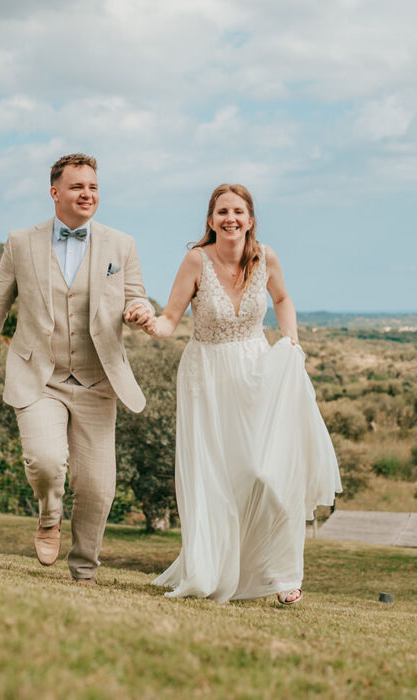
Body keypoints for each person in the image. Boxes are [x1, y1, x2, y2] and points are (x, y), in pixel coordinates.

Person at [146, 184, 342, 605]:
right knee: (216, 479)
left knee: (267, 473)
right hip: (207, 378)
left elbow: (284, 298)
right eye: (221, 212)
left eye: (238, 211)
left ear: (250, 219)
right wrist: (145, 323)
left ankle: (281, 574)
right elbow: (169, 319)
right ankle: (212, 570)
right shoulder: (195, 260)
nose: (230, 218)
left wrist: (290, 341)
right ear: (211, 220)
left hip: (258, 374)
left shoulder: (266, 257)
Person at [0, 153, 154, 584]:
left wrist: (140, 310)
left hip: (97, 380)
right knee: (46, 462)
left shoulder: (120, 244)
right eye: (77, 187)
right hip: (39, 376)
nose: (87, 194)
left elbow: (135, 295)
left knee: (98, 488)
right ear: (55, 193)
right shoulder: (20, 242)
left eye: (93, 187)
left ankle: (84, 568)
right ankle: (49, 515)